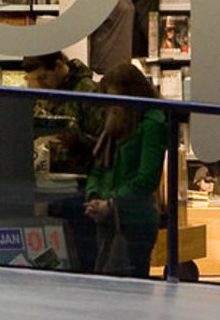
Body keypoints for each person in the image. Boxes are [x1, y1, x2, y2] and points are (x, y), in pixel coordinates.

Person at [83, 63, 166, 278]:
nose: (111, 105)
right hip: (108, 215)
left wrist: (111, 203)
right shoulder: (114, 124)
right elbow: (98, 168)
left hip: (135, 218)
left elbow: (147, 178)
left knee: (132, 282)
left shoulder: (152, 124)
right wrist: (94, 197)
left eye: (114, 97)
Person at [24, 51, 101, 175]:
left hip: (80, 175)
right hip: (46, 173)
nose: (40, 84)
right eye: (34, 79)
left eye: (43, 77)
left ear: (59, 65)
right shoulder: (45, 93)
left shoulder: (88, 92)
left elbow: (104, 143)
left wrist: (76, 141)